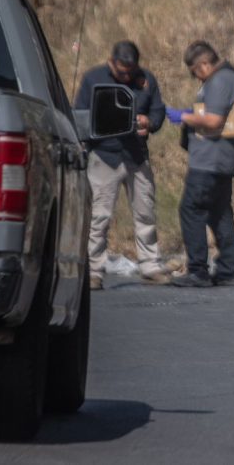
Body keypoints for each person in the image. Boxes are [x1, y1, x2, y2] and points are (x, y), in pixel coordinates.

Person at [74, 40, 168, 289]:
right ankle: (93, 270)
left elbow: (159, 111)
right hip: (104, 156)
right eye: (121, 71)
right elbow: (80, 113)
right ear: (111, 62)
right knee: (98, 216)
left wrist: (149, 122)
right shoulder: (93, 78)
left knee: (145, 211)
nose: (126, 76)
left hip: (137, 155)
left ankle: (150, 265)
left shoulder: (147, 80)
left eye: (131, 71)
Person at [167, 41, 234, 288]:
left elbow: (213, 120)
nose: (194, 76)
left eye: (194, 71)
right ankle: (226, 271)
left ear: (204, 64)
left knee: (191, 209)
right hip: (218, 159)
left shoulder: (221, 81)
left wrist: (182, 116)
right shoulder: (226, 78)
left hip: (211, 160)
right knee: (219, 211)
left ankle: (198, 270)